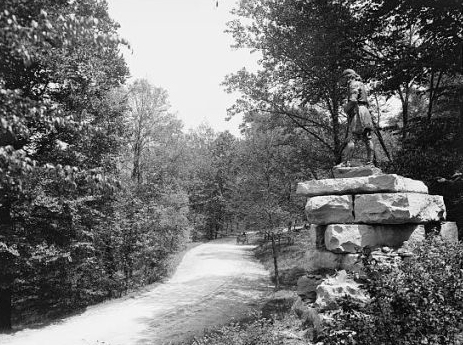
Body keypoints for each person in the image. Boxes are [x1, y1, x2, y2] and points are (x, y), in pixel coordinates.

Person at [339, 69, 375, 167]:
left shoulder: (353, 84)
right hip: (365, 111)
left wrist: (346, 108)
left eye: (344, 78)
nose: (344, 81)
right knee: (368, 138)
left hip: (358, 111)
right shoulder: (361, 84)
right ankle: (370, 163)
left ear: (348, 77)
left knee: (352, 138)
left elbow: (354, 100)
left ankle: (346, 162)